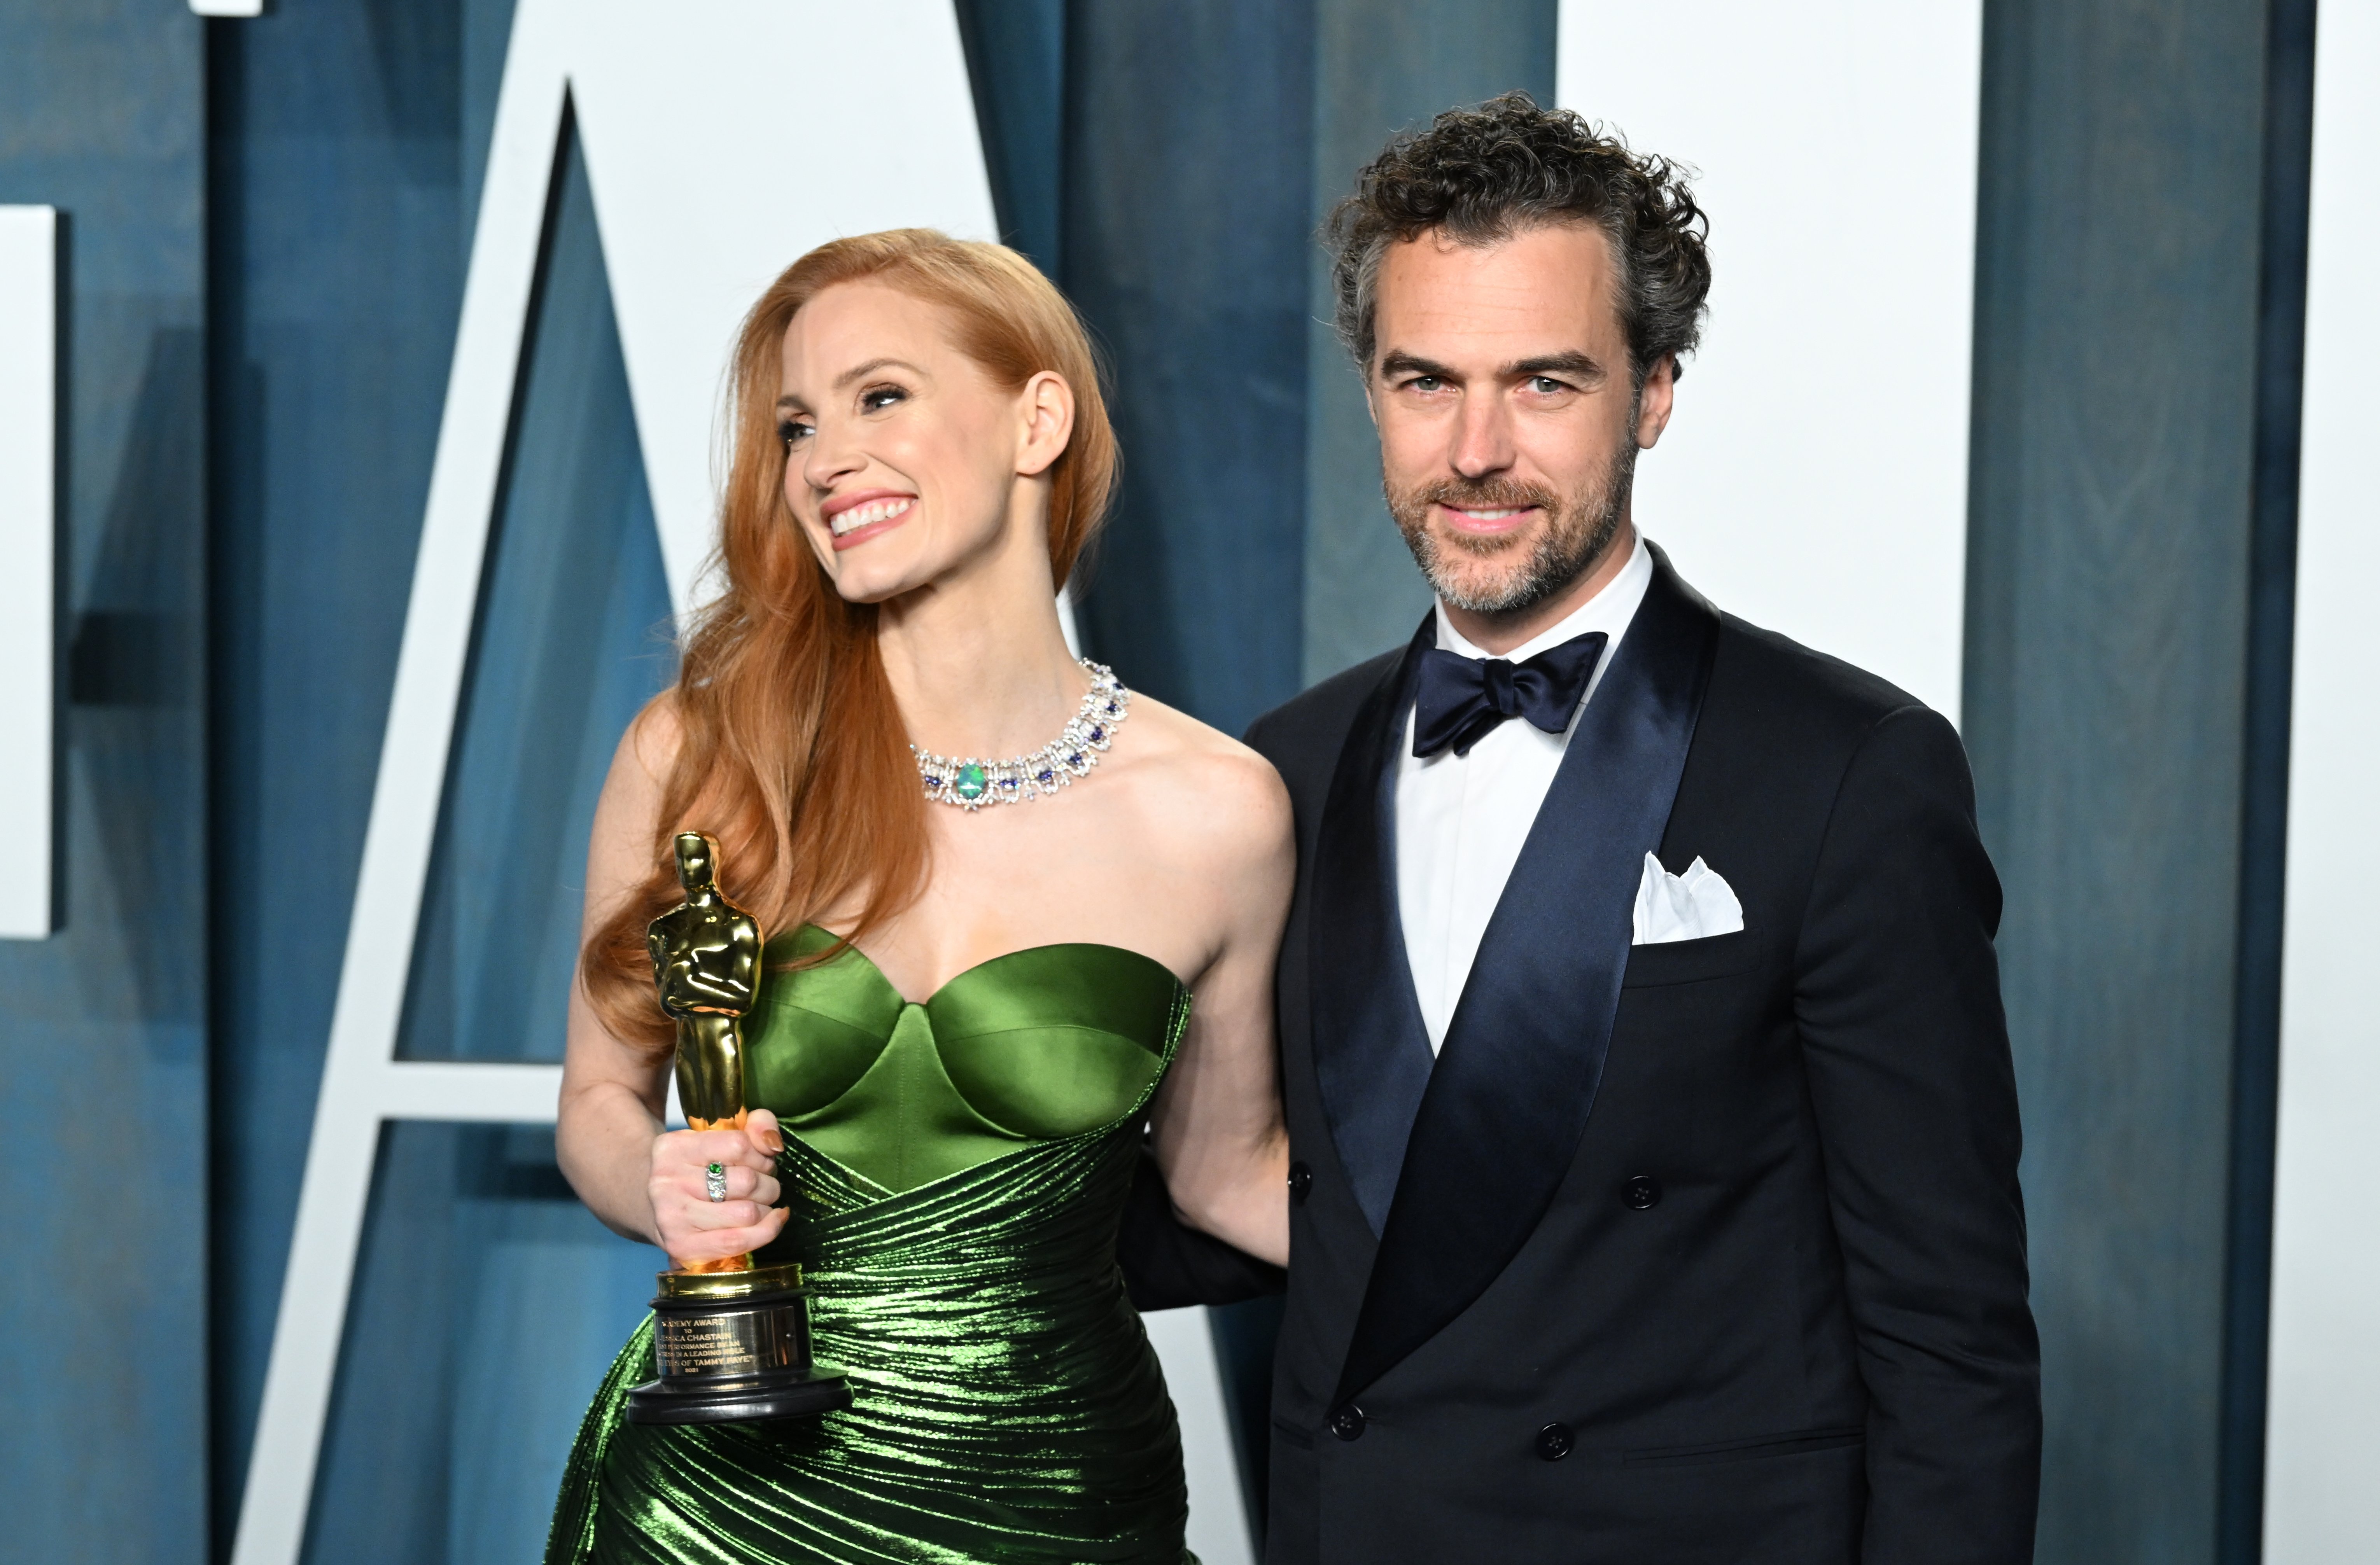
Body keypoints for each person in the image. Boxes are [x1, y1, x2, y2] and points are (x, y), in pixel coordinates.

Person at [1124, 93, 2041, 1562]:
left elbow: (1950, 1335)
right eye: (1427, 382)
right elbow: (1311, 1204)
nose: (1476, 451)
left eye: (1545, 384)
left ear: (1656, 390)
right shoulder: (1282, 770)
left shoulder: (1850, 769)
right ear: (1370, 388)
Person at [544, 229, 1293, 1565]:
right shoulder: (703, 755)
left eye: (879, 396)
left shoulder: (1220, 812)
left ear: (1037, 418)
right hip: (716, 1504)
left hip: (1063, 1502)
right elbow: (601, 1105)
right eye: (795, 425)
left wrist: (1597, 1272)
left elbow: (1230, 1177)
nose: (824, 459)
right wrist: (660, 1184)